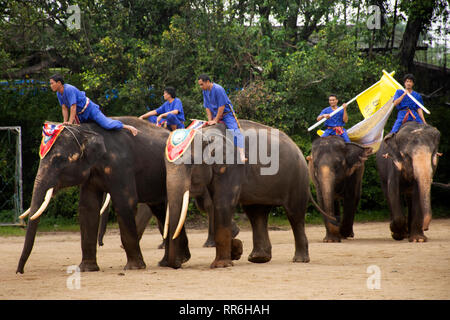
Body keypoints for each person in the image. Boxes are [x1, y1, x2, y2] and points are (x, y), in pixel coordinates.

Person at [49, 74, 138, 136]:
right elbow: (64, 107)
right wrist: (65, 122)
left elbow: (73, 107)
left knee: (106, 124)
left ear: (59, 83)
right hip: (80, 115)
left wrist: (70, 122)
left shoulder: (69, 89)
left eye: (52, 83)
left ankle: (127, 126)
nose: (51, 85)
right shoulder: (58, 93)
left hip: (89, 109)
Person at [197, 74, 247, 163]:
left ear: (207, 82)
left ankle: (242, 154)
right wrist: (210, 120)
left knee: (234, 131)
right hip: (215, 114)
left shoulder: (218, 89)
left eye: (202, 84)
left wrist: (215, 120)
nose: (201, 87)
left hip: (226, 114)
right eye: (200, 85)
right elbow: (207, 107)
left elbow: (222, 106)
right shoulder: (205, 91)